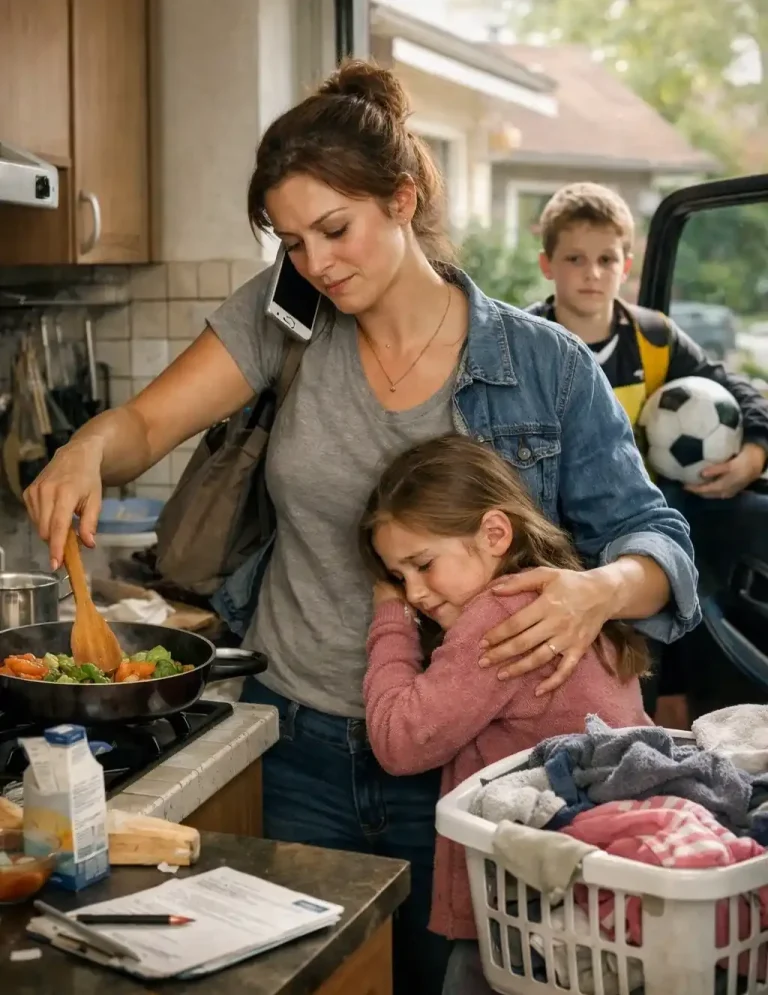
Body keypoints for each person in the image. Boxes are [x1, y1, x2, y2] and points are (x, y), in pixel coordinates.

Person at [23, 62, 699, 995]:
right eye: (293, 243)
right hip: (297, 744)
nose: (316, 264)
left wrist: (597, 589)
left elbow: (656, 536)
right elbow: (143, 427)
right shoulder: (286, 320)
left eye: (334, 230)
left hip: (479, 775)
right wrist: (86, 448)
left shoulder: (544, 365)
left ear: (402, 198)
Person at [359, 434, 652, 995]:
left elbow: (400, 740)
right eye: (398, 579)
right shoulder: (560, 594)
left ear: (495, 534)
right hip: (595, 905)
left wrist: (388, 616)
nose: (415, 592)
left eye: (422, 565)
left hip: (529, 914)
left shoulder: (500, 617)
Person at [527, 182, 768, 718]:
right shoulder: (528, 342)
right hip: (558, 527)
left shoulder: (654, 337)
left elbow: (734, 388)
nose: (592, 273)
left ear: (627, 265)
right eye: (575, 259)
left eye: (606, 259)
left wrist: (756, 451)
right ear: (547, 264)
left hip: (643, 530)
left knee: (684, 564)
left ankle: (669, 712)